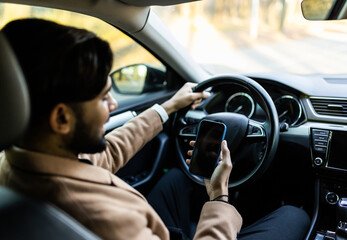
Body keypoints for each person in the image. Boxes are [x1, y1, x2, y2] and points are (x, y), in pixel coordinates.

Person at [0, 18, 310, 240]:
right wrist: (219, 200)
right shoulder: (105, 220)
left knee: (177, 177)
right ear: (62, 120)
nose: (112, 104)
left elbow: (106, 154)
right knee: (293, 215)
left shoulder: (19, 163)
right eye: (103, 95)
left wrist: (169, 107)